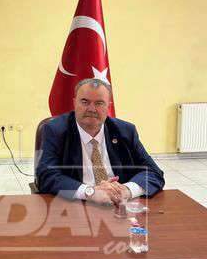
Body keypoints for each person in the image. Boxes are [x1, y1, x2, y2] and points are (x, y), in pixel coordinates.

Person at [36, 78, 164, 204]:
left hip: (119, 204)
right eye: (85, 102)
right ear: (75, 103)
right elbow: (46, 176)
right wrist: (90, 192)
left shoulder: (125, 131)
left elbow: (153, 172)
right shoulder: (56, 130)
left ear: (108, 106)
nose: (92, 109)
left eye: (99, 103)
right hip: (77, 204)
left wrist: (126, 190)